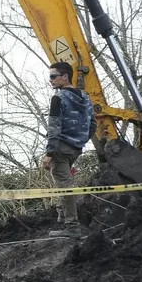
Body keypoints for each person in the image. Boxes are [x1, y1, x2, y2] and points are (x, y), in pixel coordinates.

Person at [43, 61, 96, 238]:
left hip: (60, 149)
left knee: (65, 187)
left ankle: (72, 228)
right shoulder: (85, 97)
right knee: (64, 183)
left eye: (53, 76)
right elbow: (93, 125)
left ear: (64, 77)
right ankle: (61, 215)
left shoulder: (58, 98)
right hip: (76, 148)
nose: (50, 80)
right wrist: (79, 140)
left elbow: (54, 127)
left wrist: (49, 153)